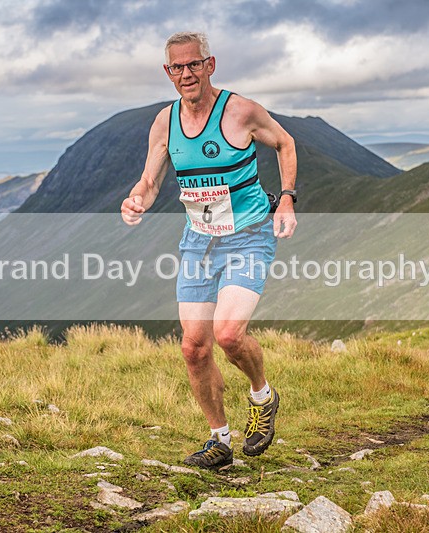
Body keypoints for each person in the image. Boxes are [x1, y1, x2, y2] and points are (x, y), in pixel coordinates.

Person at [121, 31, 297, 470]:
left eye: (193, 64)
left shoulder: (240, 111)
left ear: (210, 64)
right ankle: (219, 440)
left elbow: (286, 143)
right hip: (199, 241)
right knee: (194, 348)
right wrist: (137, 197)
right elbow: (150, 178)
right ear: (168, 72)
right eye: (177, 67)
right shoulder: (165, 122)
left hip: (249, 234)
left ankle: (262, 394)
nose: (186, 74)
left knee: (228, 334)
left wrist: (289, 197)